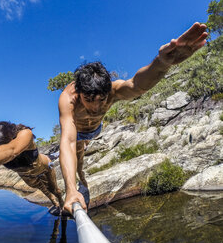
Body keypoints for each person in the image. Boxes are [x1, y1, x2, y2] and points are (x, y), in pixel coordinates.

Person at [58, 22, 208, 214]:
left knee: (80, 153)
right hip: (77, 132)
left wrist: (161, 63)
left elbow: (137, 85)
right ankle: (79, 181)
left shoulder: (112, 90)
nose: (95, 107)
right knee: (77, 152)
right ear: (79, 93)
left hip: (95, 130)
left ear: (107, 92)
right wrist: (70, 191)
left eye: (101, 100)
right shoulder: (68, 99)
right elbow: (68, 140)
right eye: (88, 100)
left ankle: (82, 178)